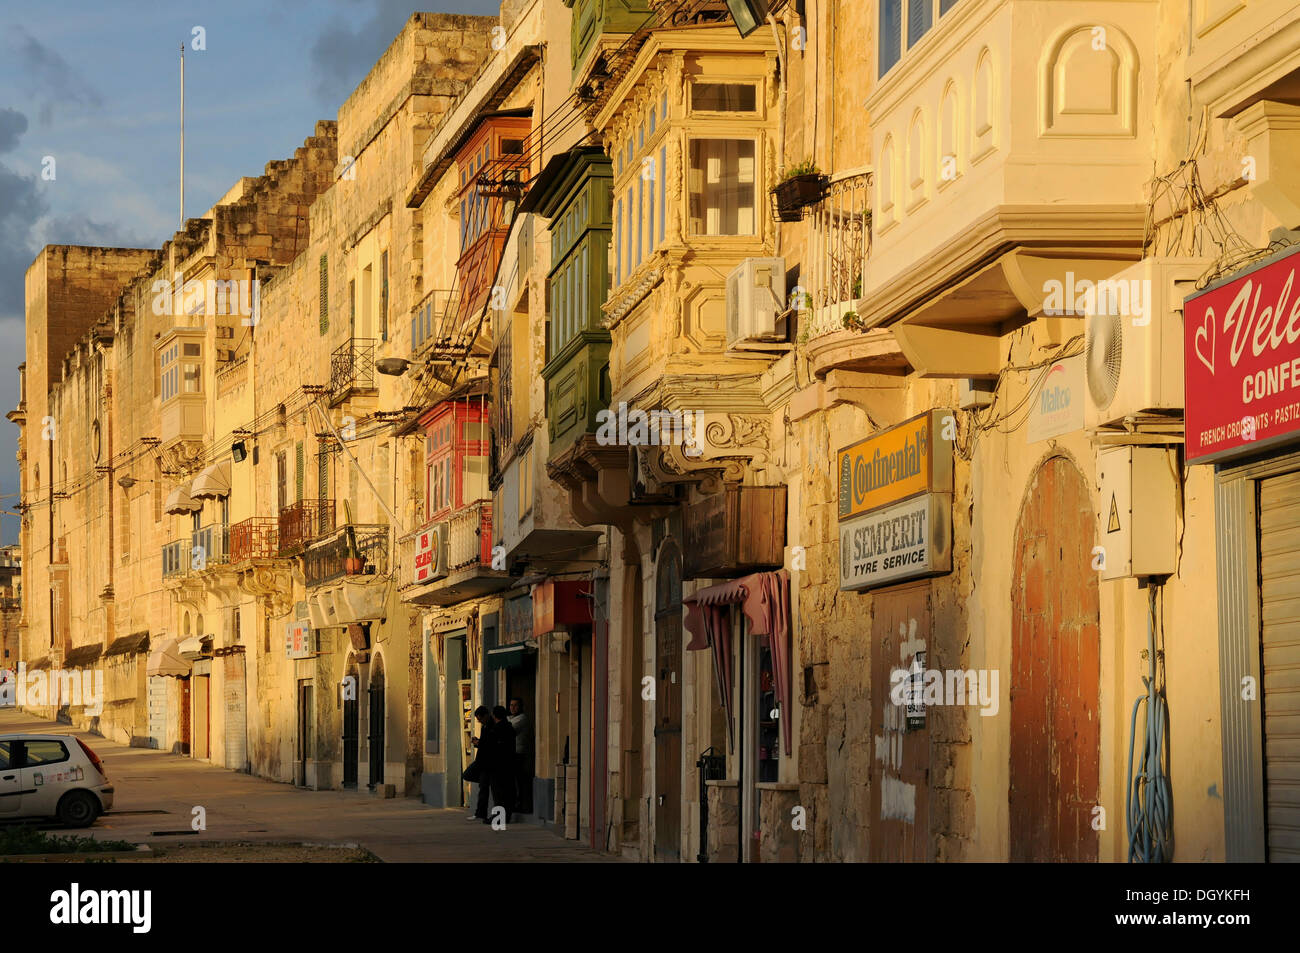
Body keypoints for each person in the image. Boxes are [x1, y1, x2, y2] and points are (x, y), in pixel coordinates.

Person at [488, 705, 516, 822]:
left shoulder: (496, 729)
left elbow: (491, 746)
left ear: (494, 715)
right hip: (509, 763)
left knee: (498, 793)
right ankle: (506, 815)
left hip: (498, 765)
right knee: (508, 791)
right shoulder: (510, 728)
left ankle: (499, 817)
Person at [507, 696, 532, 814]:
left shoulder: (522, 719)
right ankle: (518, 804)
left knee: (521, 781)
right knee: (516, 781)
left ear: (521, 707)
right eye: (511, 705)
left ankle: (523, 806)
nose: (513, 707)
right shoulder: (511, 718)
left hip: (520, 753)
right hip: (514, 754)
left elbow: (506, 729)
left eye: (516, 705)